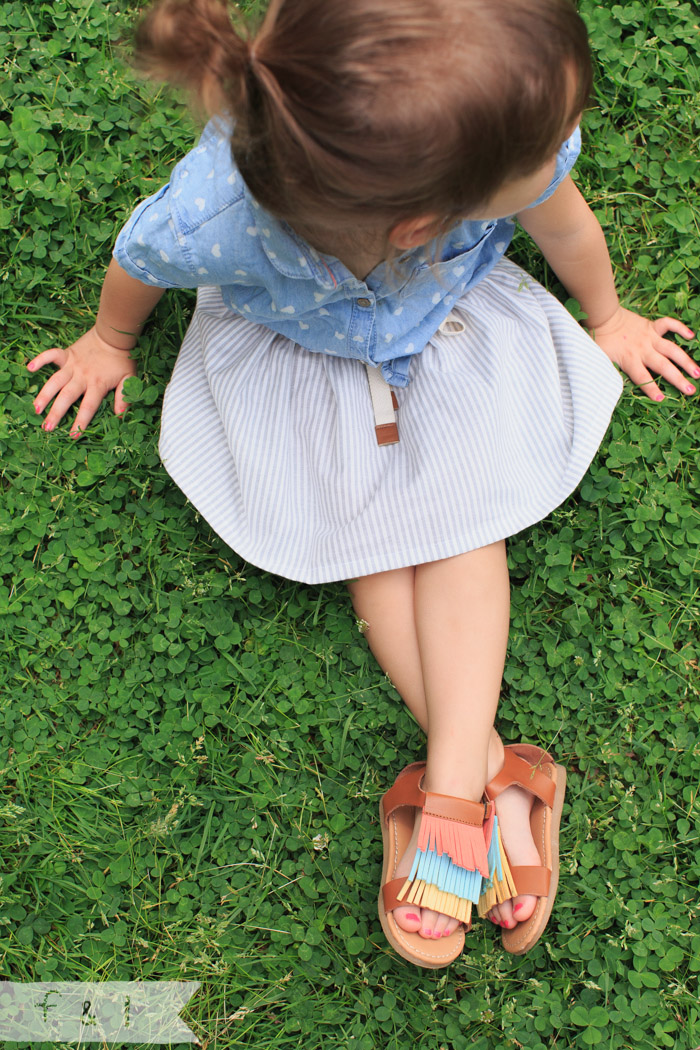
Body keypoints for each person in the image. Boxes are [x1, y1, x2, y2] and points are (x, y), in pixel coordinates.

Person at [27, 0, 698, 968]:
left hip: (447, 337)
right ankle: (487, 777)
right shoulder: (219, 215)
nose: (563, 151)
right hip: (307, 362)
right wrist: (107, 340)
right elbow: (140, 257)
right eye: (545, 147)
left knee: (462, 516)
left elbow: (563, 220)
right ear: (424, 220)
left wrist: (607, 316)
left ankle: (455, 796)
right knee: (369, 539)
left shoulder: (486, 148)